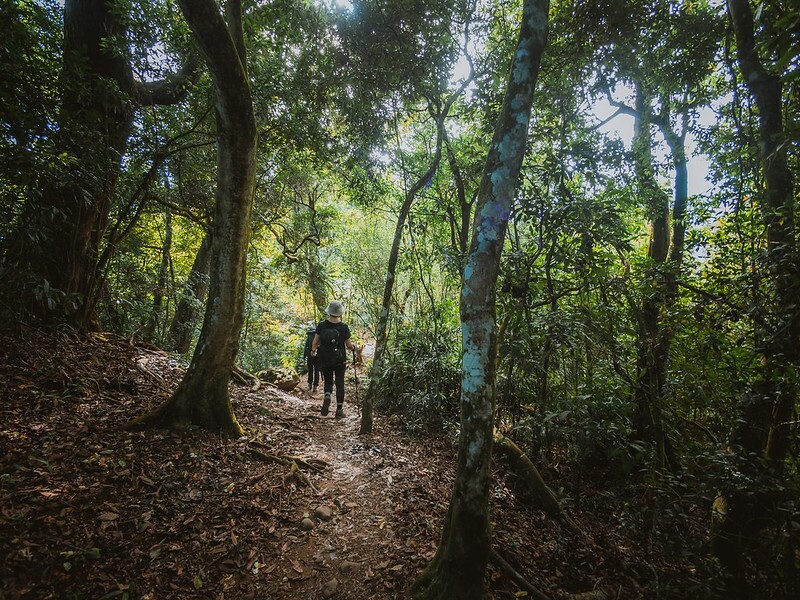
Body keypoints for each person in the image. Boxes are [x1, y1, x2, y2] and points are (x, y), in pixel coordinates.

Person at [311, 300, 356, 418]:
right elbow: (348, 345)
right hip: (339, 360)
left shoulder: (322, 325)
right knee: (340, 382)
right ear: (340, 313)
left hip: (325, 358)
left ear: (329, 312)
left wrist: (313, 351)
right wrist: (354, 348)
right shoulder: (343, 327)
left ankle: (327, 395)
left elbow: (315, 342)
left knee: (328, 381)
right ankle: (339, 410)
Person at [302, 325, 320, 392]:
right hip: (318, 356)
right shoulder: (318, 337)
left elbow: (306, 348)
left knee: (310, 370)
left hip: (310, 356)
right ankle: (315, 386)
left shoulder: (309, 338)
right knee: (317, 371)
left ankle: (310, 384)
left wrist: (304, 357)